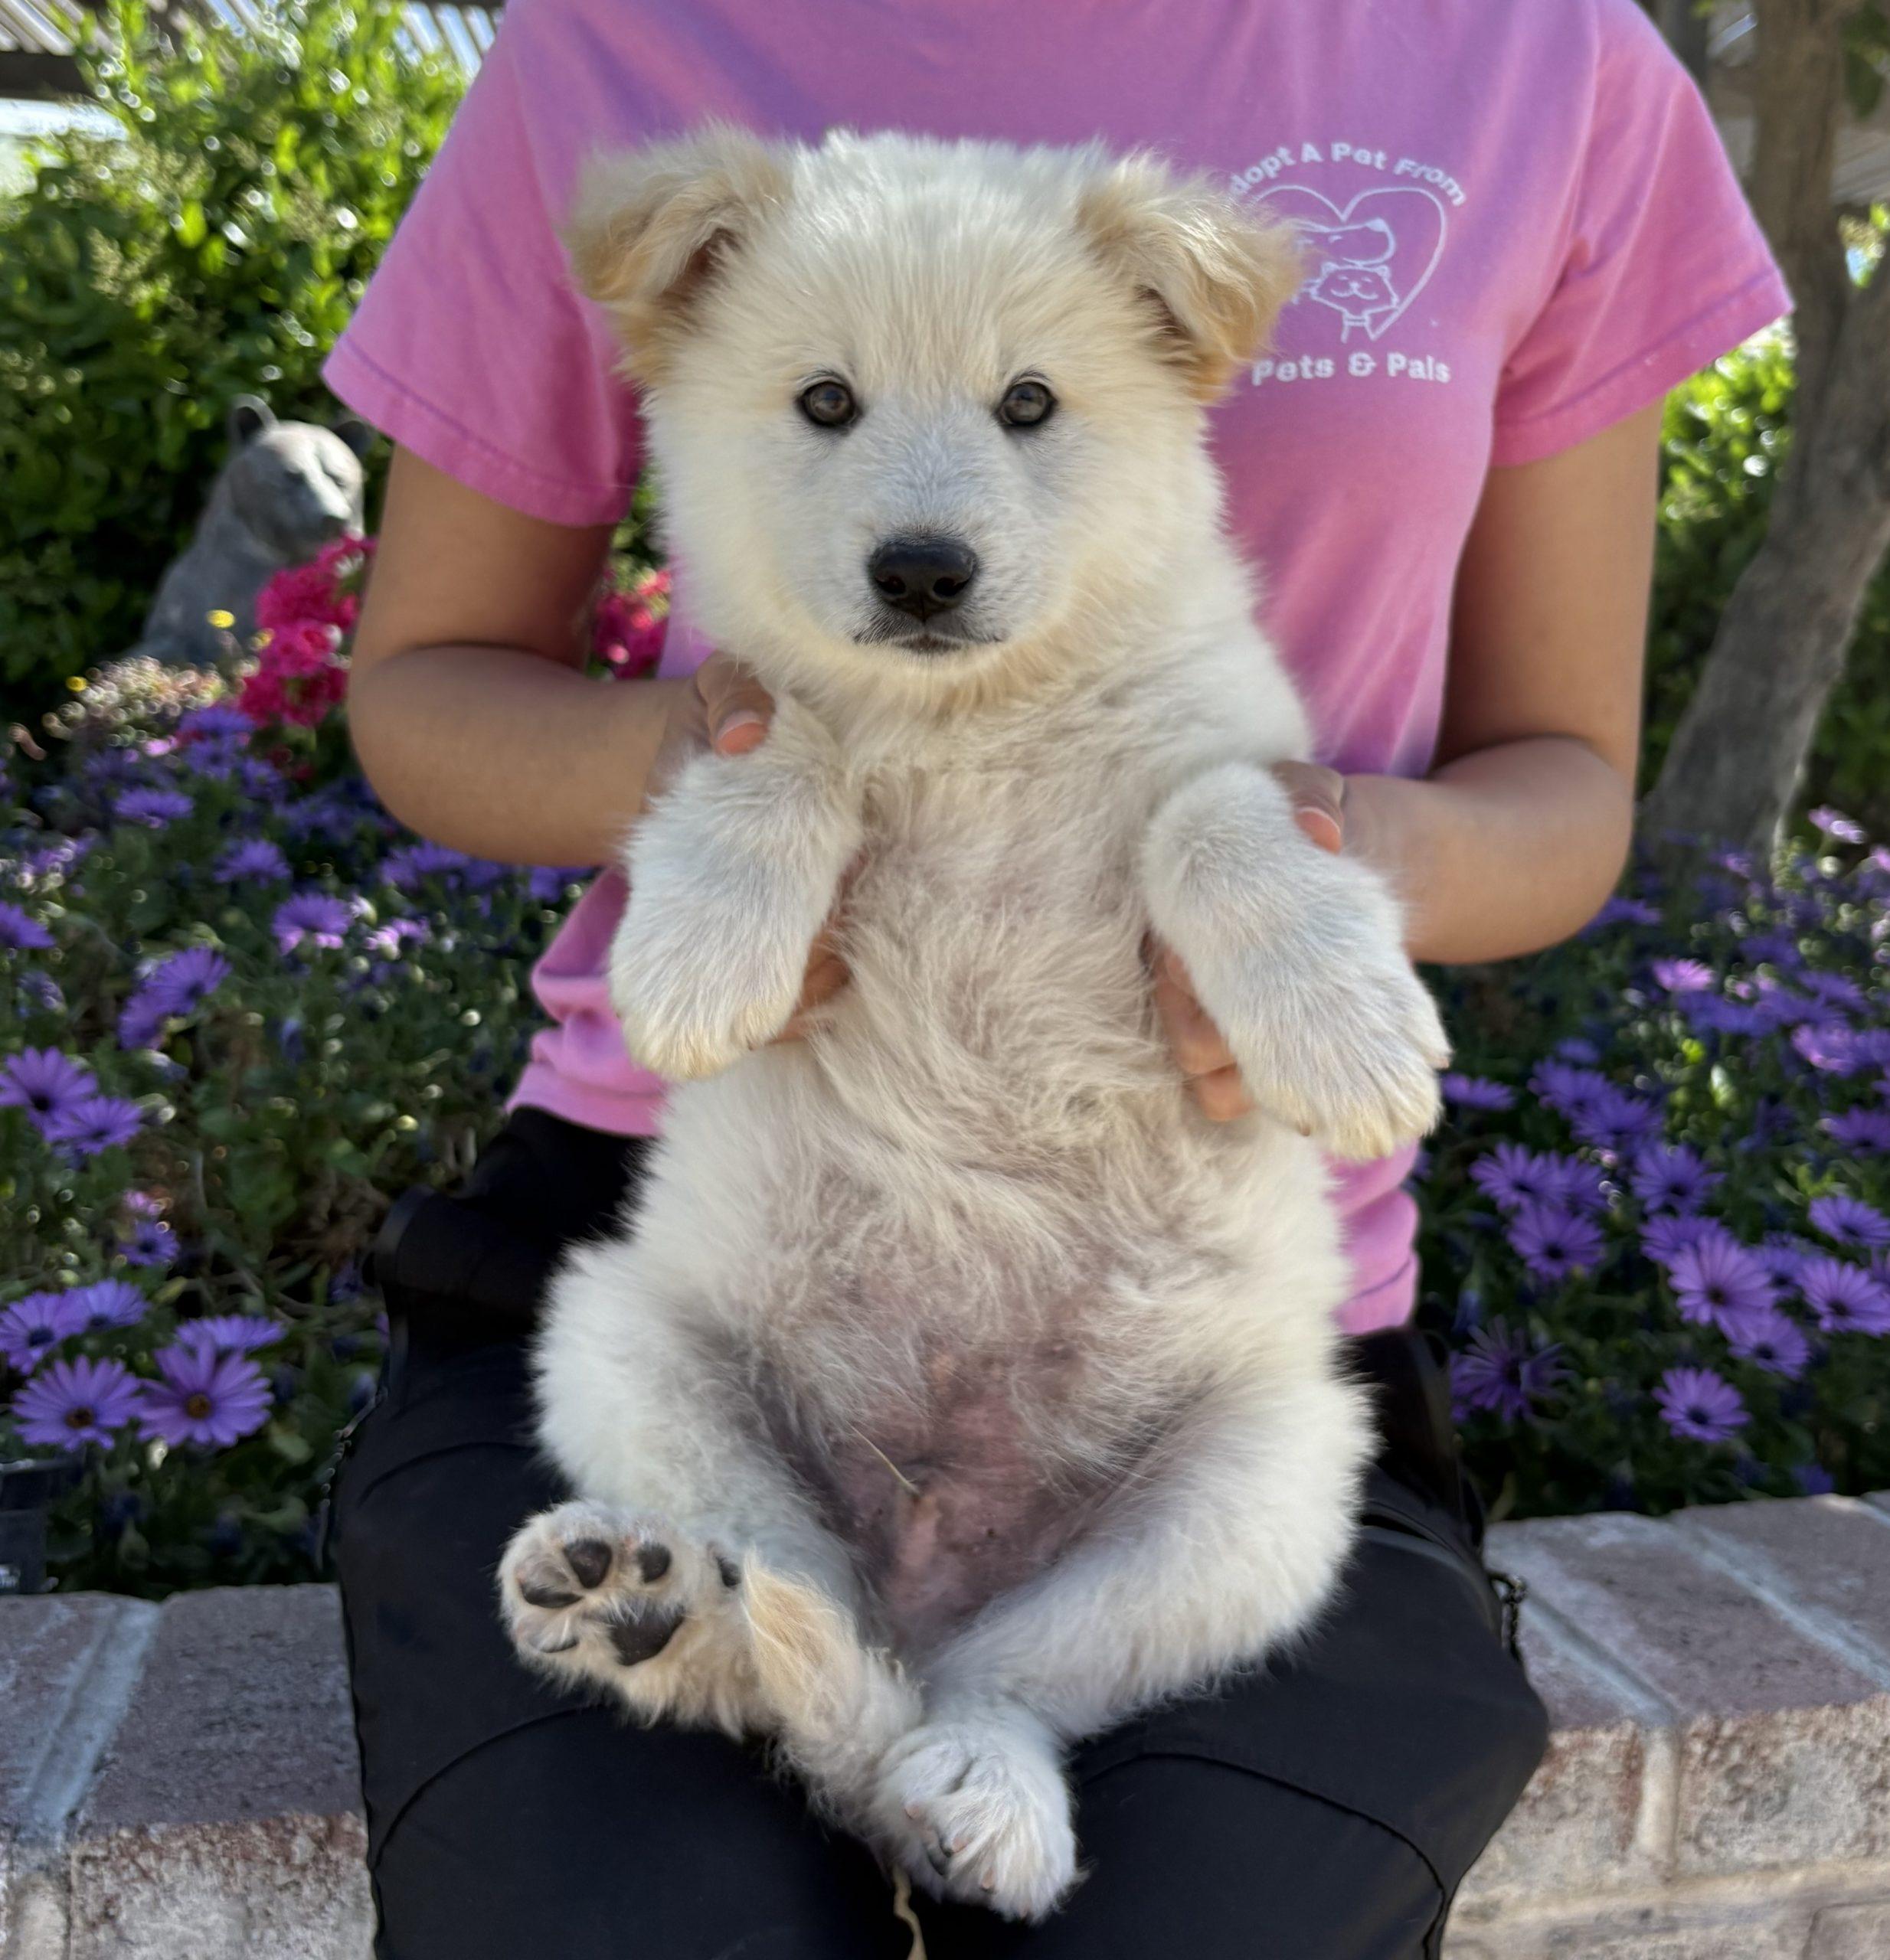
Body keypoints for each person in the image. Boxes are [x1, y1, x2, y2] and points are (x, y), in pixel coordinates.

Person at [322, 2, 1789, 1953]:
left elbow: (1561, 780)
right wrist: (732, 784)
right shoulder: (616, 41)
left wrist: (1318, 870)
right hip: (706, 1227)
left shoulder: (1545, 54)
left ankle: (978, 1700)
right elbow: (424, 689)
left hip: (1191, 1314)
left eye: (1022, 409)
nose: (928, 524)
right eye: (830, 406)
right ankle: (779, 1625)